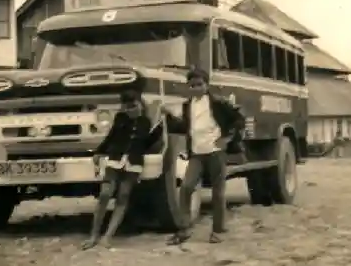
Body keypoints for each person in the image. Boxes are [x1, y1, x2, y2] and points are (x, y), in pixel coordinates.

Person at [163, 67, 245, 245]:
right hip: (197, 154)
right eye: (192, 85)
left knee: (218, 192)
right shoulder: (187, 105)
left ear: (207, 85)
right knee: (186, 188)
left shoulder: (217, 103)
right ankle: (183, 229)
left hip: (215, 152)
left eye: (199, 84)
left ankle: (218, 230)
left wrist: (227, 139)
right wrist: (169, 116)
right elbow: (186, 127)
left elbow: (239, 120)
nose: (196, 88)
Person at [81, 90, 152, 250]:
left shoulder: (146, 122)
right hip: (115, 159)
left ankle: (107, 236)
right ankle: (93, 235)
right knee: (105, 194)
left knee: (123, 196)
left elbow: (147, 141)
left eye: (133, 106)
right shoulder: (121, 119)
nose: (131, 110)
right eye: (127, 108)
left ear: (140, 104)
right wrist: (99, 151)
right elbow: (111, 136)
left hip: (133, 162)